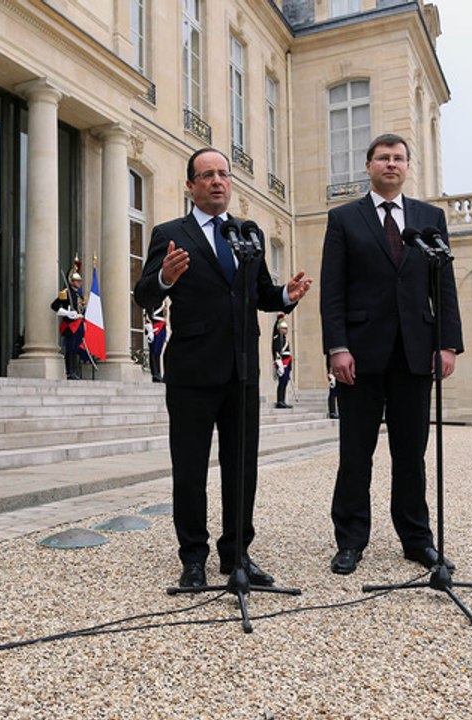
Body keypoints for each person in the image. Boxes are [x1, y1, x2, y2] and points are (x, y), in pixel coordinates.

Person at [134, 147, 312, 589]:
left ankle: (237, 554)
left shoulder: (246, 234)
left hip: (242, 371)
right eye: (207, 175)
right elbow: (144, 295)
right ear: (191, 186)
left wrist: (286, 295)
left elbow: (261, 294)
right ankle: (193, 557)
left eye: (223, 174)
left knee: (241, 467)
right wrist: (165, 279)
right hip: (192, 372)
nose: (217, 181)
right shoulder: (170, 233)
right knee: (190, 469)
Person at [320, 132, 464, 576]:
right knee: (355, 452)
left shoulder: (428, 217)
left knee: (410, 453)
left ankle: (417, 539)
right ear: (368, 166)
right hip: (360, 356)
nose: (391, 164)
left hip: (415, 353)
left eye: (399, 158)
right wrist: (337, 347)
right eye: (383, 157)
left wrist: (447, 342)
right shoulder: (344, 219)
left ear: (407, 167)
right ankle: (350, 540)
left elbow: (443, 284)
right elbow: (333, 289)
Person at [51, 260, 86, 380]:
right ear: (71, 281)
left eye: (80, 281)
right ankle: (70, 372)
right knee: (70, 348)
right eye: (77, 280)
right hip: (70, 324)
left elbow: (82, 309)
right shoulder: (66, 293)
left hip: (79, 324)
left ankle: (75, 371)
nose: (79, 283)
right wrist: (67, 313)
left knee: (76, 348)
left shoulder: (79, 296)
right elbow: (54, 306)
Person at [271, 314, 293, 409]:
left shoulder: (285, 339)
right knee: (282, 382)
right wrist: (278, 363)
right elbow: (276, 352)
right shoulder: (277, 338)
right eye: (283, 328)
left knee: (285, 381)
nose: (285, 330)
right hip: (282, 362)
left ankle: (283, 400)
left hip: (287, 361)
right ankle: (279, 400)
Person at [143, 302, 167, 383]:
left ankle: (159, 373)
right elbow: (147, 316)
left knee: (158, 352)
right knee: (153, 351)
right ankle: (155, 374)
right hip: (154, 327)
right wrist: (149, 330)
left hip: (162, 326)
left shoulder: (163, 301)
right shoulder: (151, 301)